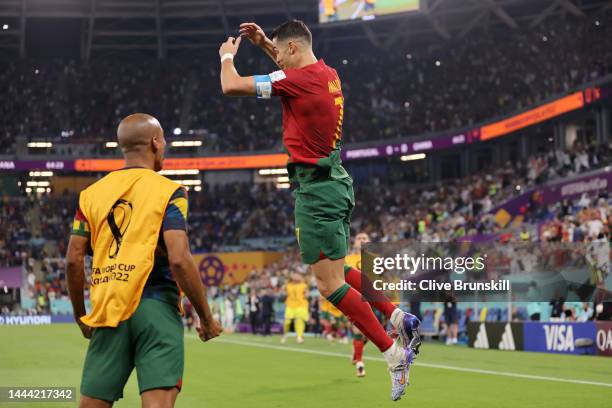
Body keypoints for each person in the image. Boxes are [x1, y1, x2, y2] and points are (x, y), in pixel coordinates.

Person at [220, 20, 420, 400]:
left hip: (316, 193)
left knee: (329, 285)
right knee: (340, 269)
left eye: (279, 52)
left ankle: (393, 352)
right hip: (336, 183)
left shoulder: (298, 81)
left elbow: (231, 85)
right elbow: (290, 71)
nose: (276, 58)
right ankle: (398, 316)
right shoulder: (327, 74)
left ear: (293, 48)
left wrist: (228, 56)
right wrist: (265, 43)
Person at [66, 113, 222, 408]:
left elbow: (74, 261)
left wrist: (80, 316)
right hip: (156, 307)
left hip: (109, 311)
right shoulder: (170, 192)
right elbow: (179, 258)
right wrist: (206, 318)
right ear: (155, 142)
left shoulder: (90, 196)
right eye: (163, 140)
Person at [281, 272, 309, 344]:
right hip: (290, 305)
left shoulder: (303, 285)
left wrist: (306, 294)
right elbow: (283, 292)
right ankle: (285, 334)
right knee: (287, 322)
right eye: (295, 275)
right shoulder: (288, 285)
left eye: (299, 275)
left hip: (301, 305)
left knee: (299, 320)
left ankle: (299, 337)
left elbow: (307, 294)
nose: (297, 276)